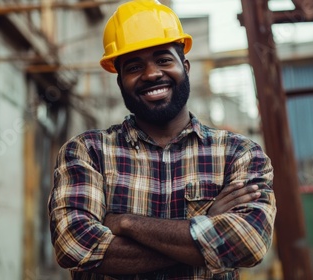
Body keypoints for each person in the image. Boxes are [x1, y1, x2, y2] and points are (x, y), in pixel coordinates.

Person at [48, 0, 276, 279]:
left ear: (186, 66)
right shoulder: (87, 152)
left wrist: (126, 223)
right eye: (134, 67)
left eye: (164, 60)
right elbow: (75, 247)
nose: (152, 74)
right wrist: (204, 227)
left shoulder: (239, 154)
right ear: (120, 81)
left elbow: (247, 243)